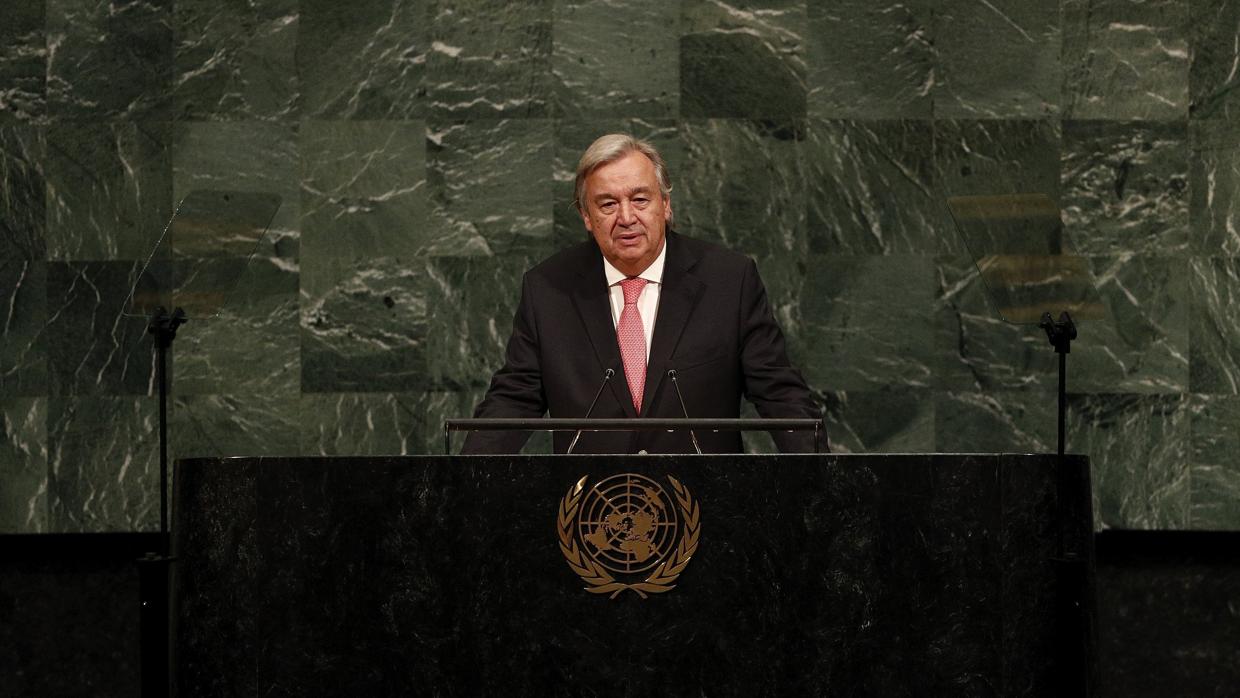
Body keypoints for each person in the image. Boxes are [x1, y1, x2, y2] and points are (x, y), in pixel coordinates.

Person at [461, 134, 825, 454]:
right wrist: (458, 482)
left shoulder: (729, 281)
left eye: (640, 199)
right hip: (591, 514)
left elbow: (780, 395)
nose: (626, 217)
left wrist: (827, 480)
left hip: (705, 508)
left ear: (666, 205)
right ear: (586, 216)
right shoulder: (548, 290)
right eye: (607, 204)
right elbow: (514, 399)